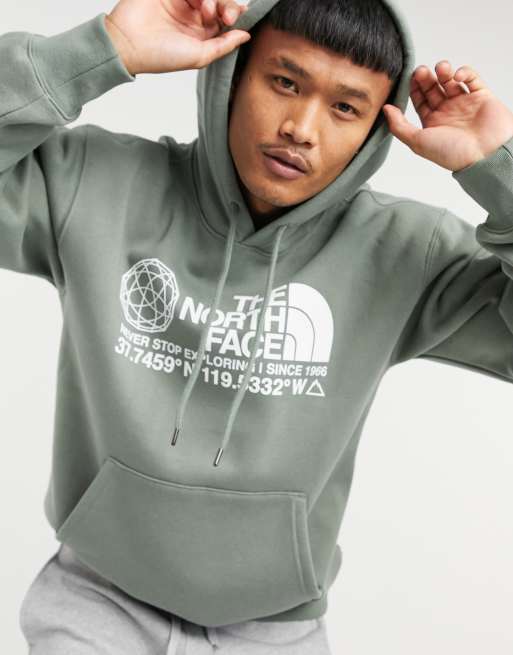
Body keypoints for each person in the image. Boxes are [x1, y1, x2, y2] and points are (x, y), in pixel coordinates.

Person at [2, 0, 513, 652]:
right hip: (96, 600)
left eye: (345, 107)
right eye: (285, 83)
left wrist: (498, 170)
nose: (301, 128)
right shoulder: (93, 183)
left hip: (275, 632)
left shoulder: (404, 253)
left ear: (374, 130)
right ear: (231, 74)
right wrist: (104, 47)